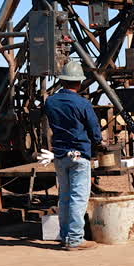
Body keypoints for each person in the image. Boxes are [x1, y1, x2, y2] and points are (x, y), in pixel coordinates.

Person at [43, 59, 102, 251]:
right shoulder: (83, 104)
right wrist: (98, 142)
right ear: (79, 82)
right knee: (79, 198)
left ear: (62, 80)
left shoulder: (50, 102)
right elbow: (95, 132)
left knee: (65, 196)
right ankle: (76, 239)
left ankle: (66, 236)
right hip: (79, 156)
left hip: (60, 155)